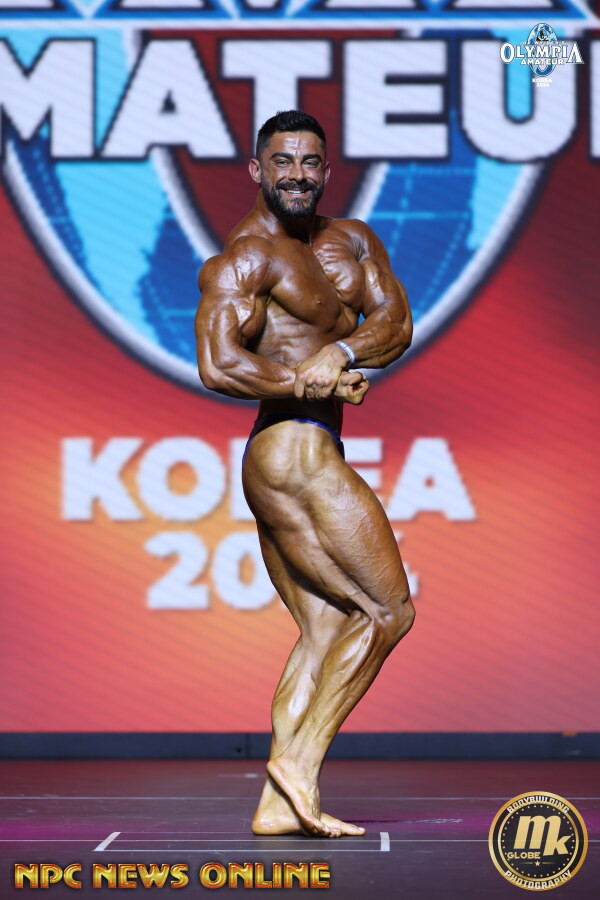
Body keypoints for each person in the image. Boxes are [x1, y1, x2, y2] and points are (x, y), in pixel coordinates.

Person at [195, 110, 415, 839]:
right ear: (257, 171)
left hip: (309, 448)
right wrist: (305, 378)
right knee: (388, 611)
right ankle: (301, 761)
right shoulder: (246, 258)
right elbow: (218, 363)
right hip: (290, 451)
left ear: (325, 170)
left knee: (325, 629)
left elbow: (395, 325)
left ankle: (274, 806)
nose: (297, 174)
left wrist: (339, 355)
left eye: (309, 162)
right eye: (282, 162)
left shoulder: (353, 240)